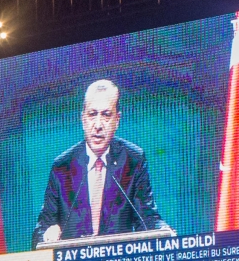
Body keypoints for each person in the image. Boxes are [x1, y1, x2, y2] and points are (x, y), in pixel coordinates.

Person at [31, 80, 169, 248]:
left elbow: (146, 218)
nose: (97, 125)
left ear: (117, 120)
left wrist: (164, 233)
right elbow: (40, 231)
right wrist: (48, 232)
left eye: (106, 115)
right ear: (83, 119)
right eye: (92, 114)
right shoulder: (62, 167)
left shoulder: (133, 160)